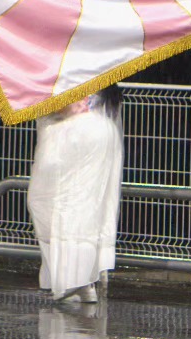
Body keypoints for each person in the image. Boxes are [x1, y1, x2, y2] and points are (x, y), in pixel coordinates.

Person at [26, 88, 123, 303]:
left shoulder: (62, 75)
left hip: (73, 131)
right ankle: (83, 278)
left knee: (52, 203)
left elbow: (65, 105)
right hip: (103, 131)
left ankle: (71, 279)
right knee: (88, 206)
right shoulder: (97, 69)